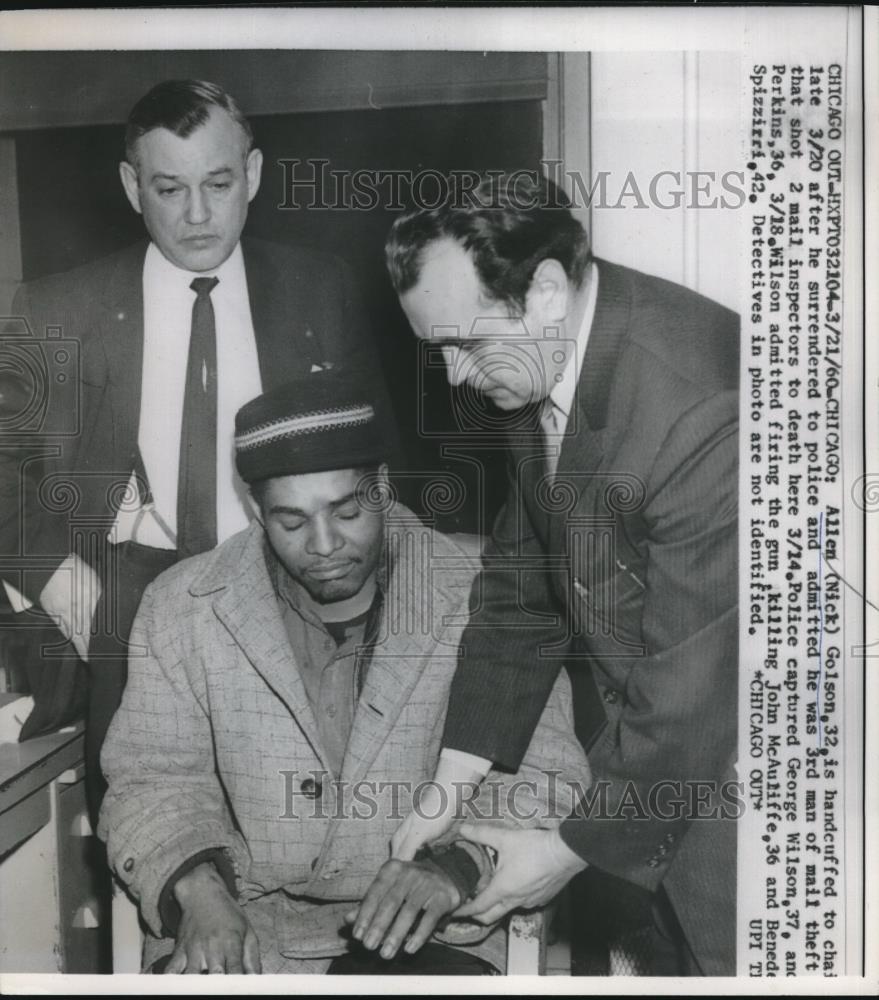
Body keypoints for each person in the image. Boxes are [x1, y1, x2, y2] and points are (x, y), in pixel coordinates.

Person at [97, 369, 590, 975]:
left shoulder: (487, 598)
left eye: (347, 510)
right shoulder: (182, 605)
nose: (325, 544)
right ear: (255, 509)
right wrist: (198, 889)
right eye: (292, 521)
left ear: (382, 489)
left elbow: (548, 775)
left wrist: (456, 865)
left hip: (435, 934)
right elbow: (151, 779)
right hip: (248, 925)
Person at [384, 173, 740, 975]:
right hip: (660, 785)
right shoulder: (539, 359)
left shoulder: (697, 408)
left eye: (464, 344)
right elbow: (523, 579)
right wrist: (454, 778)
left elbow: (692, 694)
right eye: (435, 350)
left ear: (544, 290)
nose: (454, 379)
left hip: (748, 794)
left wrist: (567, 848)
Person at [0, 79, 385, 817]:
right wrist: (54, 576)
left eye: (218, 182)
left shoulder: (320, 290)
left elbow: (376, 469)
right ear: (130, 186)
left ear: (255, 175)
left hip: (289, 595)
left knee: (301, 825)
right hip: (128, 603)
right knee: (150, 833)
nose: (198, 214)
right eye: (170, 189)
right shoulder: (59, 307)